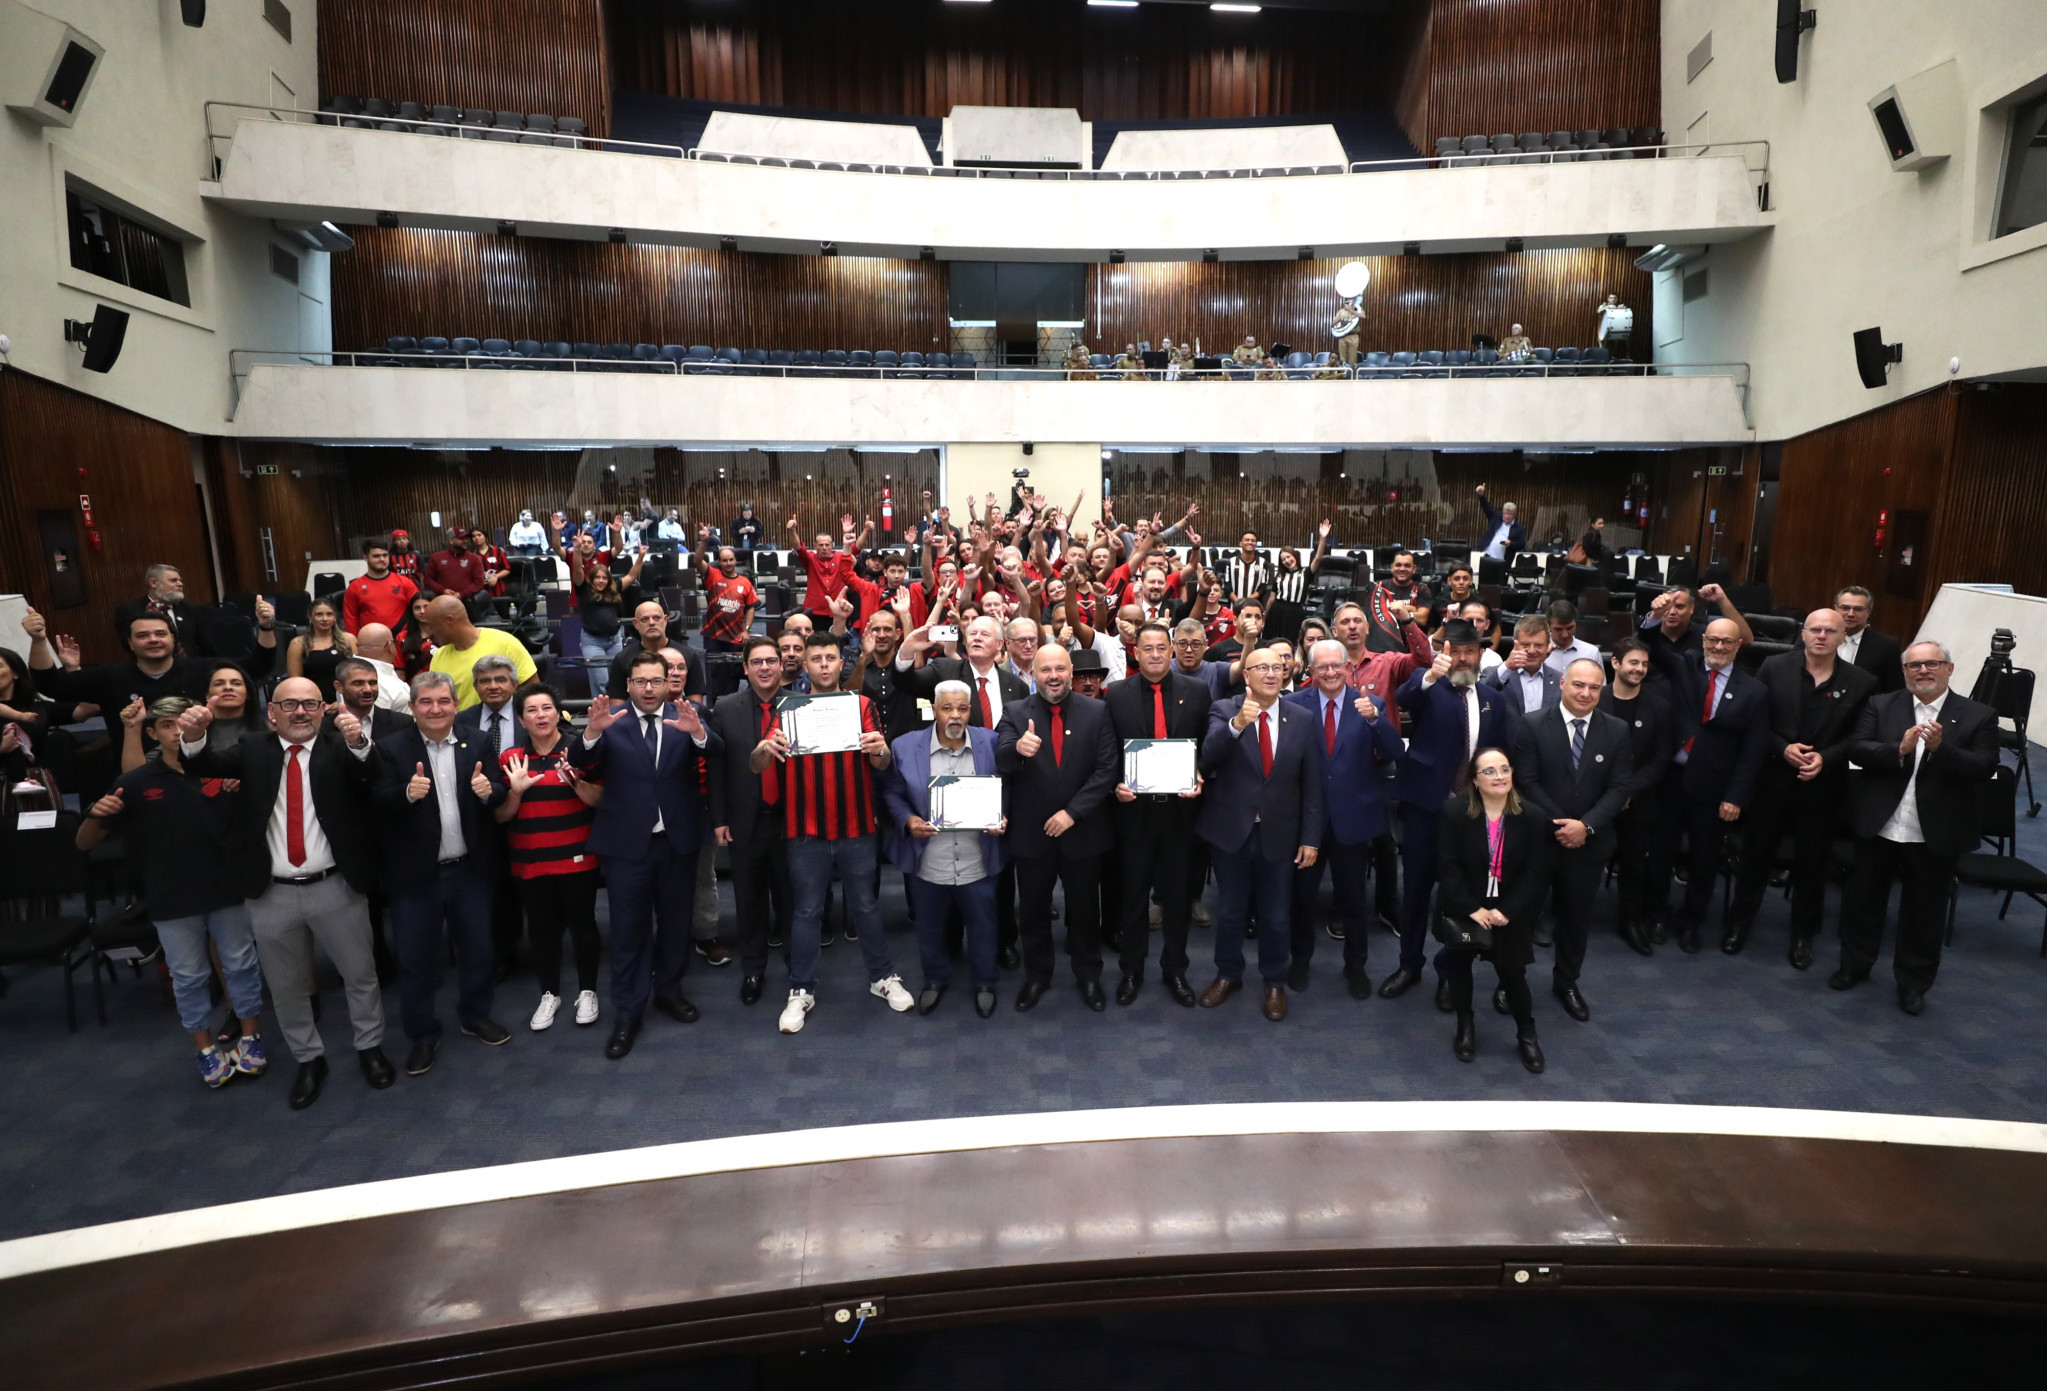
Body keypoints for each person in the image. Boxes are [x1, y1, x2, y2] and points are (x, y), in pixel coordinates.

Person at [178, 677, 393, 1109]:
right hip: (271, 894)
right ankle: (309, 1059)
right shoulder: (254, 749)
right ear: (272, 712)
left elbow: (371, 772)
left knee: (360, 976)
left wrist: (359, 742)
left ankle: (370, 1048)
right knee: (287, 986)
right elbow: (203, 766)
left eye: (310, 705)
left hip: (336, 886)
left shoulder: (341, 746)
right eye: (289, 704)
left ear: (323, 709)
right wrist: (194, 735)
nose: (300, 712)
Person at [77, 696, 268, 1090]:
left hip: (227, 889)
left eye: (185, 723)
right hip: (171, 897)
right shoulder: (134, 783)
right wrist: (96, 814)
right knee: (189, 976)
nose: (178, 732)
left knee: (242, 966)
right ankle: (205, 1049)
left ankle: (251, 1039)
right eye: (167, 725)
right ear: (153, 732)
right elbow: (85, 843)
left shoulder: (225, 771)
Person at [754, 632, 911, 1032]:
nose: (824, 664)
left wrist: (881, 749)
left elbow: (881, 763)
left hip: (857, 827)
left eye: (830, 658)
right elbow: (758, 766)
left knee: (866, 908)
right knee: (806, 911)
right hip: (805, 830)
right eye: (816, 659)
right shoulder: (787, 707)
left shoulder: (862, 705)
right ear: (804, 666)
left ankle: (882, 977)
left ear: (842, 663)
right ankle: (801, 989)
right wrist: (761, 751)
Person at [1832, 641, 1999, 1014]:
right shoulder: (1881, 704)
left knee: (1924, 914)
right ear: (1904, 671)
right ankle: (1853, 966)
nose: (1923, 671)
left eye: (1932, 664)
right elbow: (1857, 749)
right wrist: (1899, 750)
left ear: (1949, 669)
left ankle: (1913, 984)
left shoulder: (1978, 714)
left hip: (1934, 831)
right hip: (1881, 824)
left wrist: (1942, 750)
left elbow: (1984, 766)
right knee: (1862, 903)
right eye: (1914, 666)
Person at [568, 651, 717, 1059]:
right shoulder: (609, 721)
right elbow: (579, 761)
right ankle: (628, 1012)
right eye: (641, 681)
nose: (649, 689)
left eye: (656, 681)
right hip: (626, 847)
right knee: (629, 931)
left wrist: (699, 734)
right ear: (629, 684)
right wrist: (591, 735)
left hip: (677, 842)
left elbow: (716, 754)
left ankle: (669, 991)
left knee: (675, 924)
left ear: (670, 682)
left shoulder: (687, 714)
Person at [372, 672, 510, 1076]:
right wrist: (404, 795)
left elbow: (498, 788)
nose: (435, 709)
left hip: (470, 871)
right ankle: (422, 1035)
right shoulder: (391, 749)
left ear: (455, 704)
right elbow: (376, 806)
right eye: (426, 702)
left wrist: (492, 793)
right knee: (416, 962)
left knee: (479, 950)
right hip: (416, 877)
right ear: (413, 707)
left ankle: (475, 1014)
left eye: (443, 701)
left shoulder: (478, 740)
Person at [1723, 609, 1877, 967]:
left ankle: (1803, 936)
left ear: (1842, 638)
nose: (1822, 636)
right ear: (1803, 634)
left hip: (1822, 788)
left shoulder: (1862, 682)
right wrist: (1782, 748)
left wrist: (1825, 758)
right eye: (1815, 629)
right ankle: (1738, 925)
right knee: (1755, 859)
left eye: (1830, 630)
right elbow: (1757, 721)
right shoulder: (1773, 668)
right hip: (1772, 782)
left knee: (1812, 866)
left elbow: (1860, 736)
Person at [1383, 619, 1522, 1000]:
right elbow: (1404, 698)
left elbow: (1499, 753)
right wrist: (1428, 675)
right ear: (1446, 653)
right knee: (1415, 891)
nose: (1462, 658)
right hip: (1426, 808)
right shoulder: (1431, 686)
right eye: (1455, 651)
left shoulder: (1494, 696)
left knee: (1459, 895)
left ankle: (1449, 968)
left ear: (1480, 655)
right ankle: (1409, 964)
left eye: (1469, 652)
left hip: (1470, 815)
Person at [1196, 647, 1324, 1022]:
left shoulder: (1302, 717)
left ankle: (1273, 982)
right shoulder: (1224, 709)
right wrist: (1237, 724)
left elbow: (1313, 785)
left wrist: (1311, 837)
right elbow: (1207, 758)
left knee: (1276, 915)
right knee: (1231, 911)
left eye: (1277, 667)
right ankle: (1228, 974)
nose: (1271, 673)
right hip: (1231, 830)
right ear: (1246, 674)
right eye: (1261, 667)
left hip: (1281, 833)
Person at [1509, 658, 1635, 1023]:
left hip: (1588, 845)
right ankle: (1510, 981)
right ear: (1563, 683)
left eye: (1594, 687)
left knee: (1576, 920)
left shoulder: (1617, 730)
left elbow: (1619, 787)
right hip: (1538, 843)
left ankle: (1566, 982)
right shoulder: (1532, 725)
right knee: (1523, 919)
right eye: (1579, 685)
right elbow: (1526, 782)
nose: (1585, 693)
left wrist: (1586, 826)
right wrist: (1563, 825)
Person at [997, 644, 1120, 1012]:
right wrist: (1019, 748)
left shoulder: (1098, 711)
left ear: (1072, 672)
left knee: (1084, 910)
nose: (1053, 676)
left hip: (1082, 831)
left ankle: (1088, 975)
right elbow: (1001, 759)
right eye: (1045, 669)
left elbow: (1106, 770)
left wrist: (1073, 813)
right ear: (1033, 674)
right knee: (1033, 911)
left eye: (1060, 669)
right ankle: (1037, 975)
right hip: (1032, 835)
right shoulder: (1016, 712)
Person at [1643, 615, 1770, 953]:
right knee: (1659, 853)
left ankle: (1691, 923)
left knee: (1703, 861)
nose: (1718, 647)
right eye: (1712, 640)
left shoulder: (1755, 691)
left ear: (1738, 645)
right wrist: (1655, 615)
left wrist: (1736, 797)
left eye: (1726, 641)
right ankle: (1657, 914)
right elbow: (1652, 643)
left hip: (1715, 791)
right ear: (1702, 642)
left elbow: (1753, 751)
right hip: (1671, 780)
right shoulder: (1685, 667)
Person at [1285, 639, 1404, 999]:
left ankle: (1356, 966)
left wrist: (1375, 720)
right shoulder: (1293, 705)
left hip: (1353, 821)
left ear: (1346, 667)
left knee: (1353, 902)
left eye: (1336, 666)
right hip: (1308, 823)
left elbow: (1395, 751)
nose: (1331, 672)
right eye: (1322, 667)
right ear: (1311, 670)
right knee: (1301, 901)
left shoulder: (1372, 705)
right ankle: (1300, 961)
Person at [883, 681, 1009, 1017]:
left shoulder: (991, 743)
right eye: (947, 708)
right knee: (929, 926)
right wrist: (908, 820)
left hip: (977, 857)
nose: (955, 716)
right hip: (929, 860)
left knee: (984, 925)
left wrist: (1002, 816)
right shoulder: (904, 746)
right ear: (934, 709)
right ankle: (935, 978)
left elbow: (1006, 789)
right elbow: (892, 793)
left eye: (962, 708)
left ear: (970, 709)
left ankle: (985, 982)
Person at [1104, 621, 1213, 1007]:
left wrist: (1200, 773)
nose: (1153, 654)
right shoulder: (1115, 694)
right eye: (1146, 647)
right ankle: (1131, 971)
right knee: (1132, 898)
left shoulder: (1197, 692)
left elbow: (1205, 746)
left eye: (1160, 648)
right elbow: (1108, 752)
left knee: (1178, 899)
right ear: (1135, 652)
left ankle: (1175, 971)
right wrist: (1116, 783)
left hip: (1181, 814)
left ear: (1170, 651)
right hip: (1134, 814)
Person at [1435, 748, 1552, 1073]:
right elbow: (1447, 867)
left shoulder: (1532, 816)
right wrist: (1472, 908)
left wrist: (1507, 911)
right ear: (1474, 779)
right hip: (1465, 908)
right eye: (1489, 771)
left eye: (1504, 769)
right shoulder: (1455, 812)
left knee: (1513, 975)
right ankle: (1466, 1026)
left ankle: (1526, 1034)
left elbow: (1535, 872)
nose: (1499, 776)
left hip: (1509, 911)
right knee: (1459, 970)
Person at [495, 684, 604, 1032]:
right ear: (521, 719)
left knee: (583, 926)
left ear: (559, 713)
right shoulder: (511, 757)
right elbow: (501, 817)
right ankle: (549, 993)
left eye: (546, 708)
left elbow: (598, 800)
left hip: (577, 857)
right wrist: (515, 792)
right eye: (531, 710)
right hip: (529, 860)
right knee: (542, 930)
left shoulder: (579, 751)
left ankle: (588, 991)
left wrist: (575, 782)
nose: (540, 715)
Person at [709, 636, 798, 1007]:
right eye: (757, 662)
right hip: (745, 822)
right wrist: (719, 818)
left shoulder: (800, 706)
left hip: (792, 822)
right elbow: (717, 769)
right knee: (749, 902)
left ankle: (799, 972)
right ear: (745, 668)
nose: (764, 668)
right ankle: (753, 970)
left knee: (794, 902)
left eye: (771, 661)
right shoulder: (725, 707)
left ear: (782, 666)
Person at [25, 603, 276, 712]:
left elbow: (259, 666)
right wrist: (38, 641)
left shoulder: (201, 669)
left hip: (201, 766)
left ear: (172, 639)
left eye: (160, 634)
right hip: (138, 773)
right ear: (130, 644)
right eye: (143, 636)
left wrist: (265, 627)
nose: (153, 639)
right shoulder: (111, 677)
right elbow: (51, 686)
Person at [1599, 637, 1675, 954]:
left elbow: (1661, 760)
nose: (1640, 669)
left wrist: (1626, 792)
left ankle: (1630, 920)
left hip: (1638, 800)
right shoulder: (1595, 698)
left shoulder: (1659, 706)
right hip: (1595, 797)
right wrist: (1610, 794)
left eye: (1644, 664)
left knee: (1634, 864)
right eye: (1633, 662)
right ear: (1615, 663)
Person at [424, 596, 536, 709]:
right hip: (459, 724)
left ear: (450, 620)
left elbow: (533, 692)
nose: (429, 633)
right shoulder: (439, 656)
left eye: (432, 626)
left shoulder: (505, 643)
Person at [571, 550, 646, 703]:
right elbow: (578, 570)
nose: (601, 581)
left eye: (604, 578)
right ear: (591, 579)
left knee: (617, 679)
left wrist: (641, 557)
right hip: (592, 641)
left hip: (614, 640)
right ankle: (602, 715)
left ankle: (618, 712)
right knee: (600, 681)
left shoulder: (613, 590)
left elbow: (631, 576)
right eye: (597, 577)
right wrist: (577, 550)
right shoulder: (583, 589)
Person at [607, 600, 704, 704]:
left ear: (665, 620)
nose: (652, 623)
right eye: (645, 619)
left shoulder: (688, 655)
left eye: (657, 618)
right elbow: (617, 707)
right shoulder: (622, 659)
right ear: (635, 624)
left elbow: (695, 707)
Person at [787, 513, 870, 630]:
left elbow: (857, 547)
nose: (824, 547)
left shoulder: (842, 557)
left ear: (832, 546)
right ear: (815, 546)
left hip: (839, 609)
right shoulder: (810, 559)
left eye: (827, 545)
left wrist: (866, 530)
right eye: (821, 545)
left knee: (838, 644)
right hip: (815, 611)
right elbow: (797, 546)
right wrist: (792, 531)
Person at [112, 563, 207, 656]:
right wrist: (147, 618)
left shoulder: (190, 608)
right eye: (173, 580)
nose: (180, 584)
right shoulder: (130, 610)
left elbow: (205, 643)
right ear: (153, 583)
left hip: (190, 667)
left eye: (180, 580)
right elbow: (127, 644)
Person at [696, 536, 760, 663]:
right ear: (719, 562)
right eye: (724, 561)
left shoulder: (745, 582)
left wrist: (747, 630)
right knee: (715, 675)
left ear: (736, 561)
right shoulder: (713, 576)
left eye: (731, 560)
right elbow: (697, 561)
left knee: (732, 676)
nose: (728, 563)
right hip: (713, 636)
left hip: (736, 637)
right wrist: (703, 542)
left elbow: (750, 608)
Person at [1834, 585, 1905, 694]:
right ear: (1836, 608)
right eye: (1845, 608)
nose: (1850, 614)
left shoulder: (1887, 646)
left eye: (1858, 609)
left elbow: (1894, 691)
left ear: (1869, 611)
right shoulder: (1819, 637)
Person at [327, 656, 414, 743]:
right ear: (339, 687)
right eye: (358, 683)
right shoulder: (324, 728)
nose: (368, 689)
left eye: (372, 683)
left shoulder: (402, 723)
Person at [1487, 615, 1561, 714]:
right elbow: (1480, 697)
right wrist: (1507, 667)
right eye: (1525, 645)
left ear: (1548, 646)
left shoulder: (1559, 680)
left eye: (1538, 645)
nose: (1531, 651)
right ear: (1515, 644)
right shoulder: (1497, 674)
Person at [287, 596, 354, 700]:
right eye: (319, 614)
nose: (325, 619)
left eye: (329, 614)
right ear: (310, 617)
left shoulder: (349, 639)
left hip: (347, 699)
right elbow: (296, 682)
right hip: (312, 700)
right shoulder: (298, 643)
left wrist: (344, 701)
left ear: (335, 617)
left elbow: (357, 675)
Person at [347, 626, 413, 715]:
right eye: (395, 643)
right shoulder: (372, 679)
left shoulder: (349, 671)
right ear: (389, 646)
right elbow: (375, 722)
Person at [422, 529, 489, 604]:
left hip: (469, 602)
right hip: (443, 602)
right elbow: (428, 579)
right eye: (461, 538)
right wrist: (442, 590)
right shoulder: (436, 557)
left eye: (466, 538)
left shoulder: (474, 559)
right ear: (451, 541)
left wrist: (461, 594)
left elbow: (479, 582)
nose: (466, 541)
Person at [1542, 601, 1601, 676]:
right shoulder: (1537, 652)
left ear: (1576, 623)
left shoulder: (1591, 653)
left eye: (1570, 628)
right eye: (1558, 629)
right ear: (1548, 626)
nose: (1565, 635)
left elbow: (1600, 686)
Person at [1475, 484, 1526, 565]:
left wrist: (1511, 543)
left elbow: (1522, 544)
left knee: (1501, 577)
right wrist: (1481, 496)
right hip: (1488, 556)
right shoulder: (1496, 518)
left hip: (1504, 560)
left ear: (1515, 514)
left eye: (1511, 514)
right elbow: (1486, 507)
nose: (1508, 516)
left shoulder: (1519, 527)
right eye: (1506, 514)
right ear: (1502, 513)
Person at [1594, 293, 1633, 358]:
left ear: (1617, 299)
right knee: (1603, 348)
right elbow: (1598, 311)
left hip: (1615, 330)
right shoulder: (1604, 305)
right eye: (1611, 298)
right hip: (1603, 331)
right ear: (1608, 299)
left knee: (1614, 349)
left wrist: (1623, 308)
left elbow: (1626, 313)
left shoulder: (1620, 306)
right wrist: (1608, 307)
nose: (1613, 299)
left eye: (1615, 298)